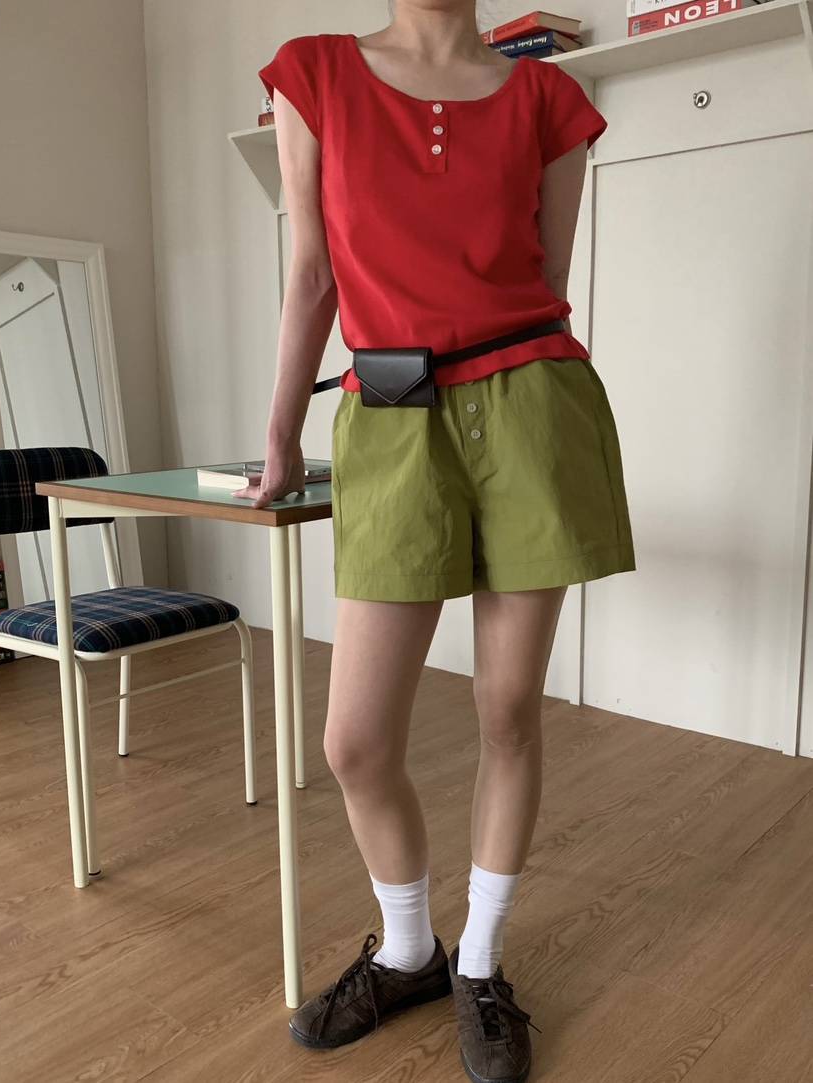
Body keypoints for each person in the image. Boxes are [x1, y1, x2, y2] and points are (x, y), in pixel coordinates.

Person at [248, 3, 636, 1081]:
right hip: (389, 416)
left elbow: (543, 287)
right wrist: (279, 435)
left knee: (507, 710)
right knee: (355, 741)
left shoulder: (551, 98)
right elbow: (313, 274)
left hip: (530, 411)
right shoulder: (314, 75)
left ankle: (480, 963)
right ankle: (410, 950)